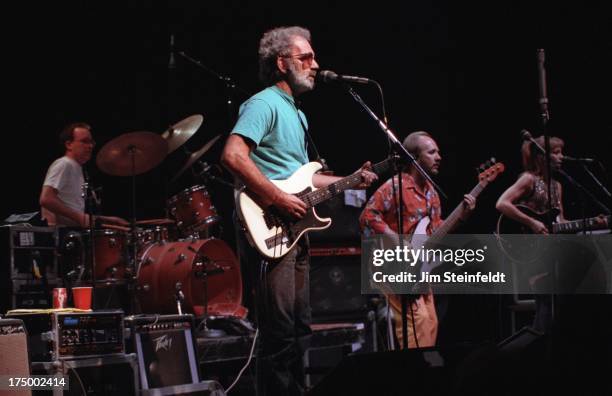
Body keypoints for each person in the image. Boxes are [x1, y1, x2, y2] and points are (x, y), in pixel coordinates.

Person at [221, 26, 377, 395]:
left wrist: (352, 179)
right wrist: (276, 198)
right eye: (305, 57)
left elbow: (306, 179)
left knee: (298, 328)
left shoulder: (299, 115)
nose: (315, 64)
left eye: (313, 56)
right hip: (269, 223)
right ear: (281, 63)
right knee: (279, 332)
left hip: (294, 228)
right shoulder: (263, 104)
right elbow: (232, 156)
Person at [359, 131, 476, 349]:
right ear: (415, 158)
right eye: (432, 152)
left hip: (420, 270)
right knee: (417, 322)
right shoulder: (395, 186)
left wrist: (462, 217)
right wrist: (395, 238)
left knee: (431, 322)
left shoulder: (431, 192)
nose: (439, 157)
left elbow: (435, 232)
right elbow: (367, 215)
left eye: (438, 152)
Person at [40, 122, 128, 227]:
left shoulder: (77, 168)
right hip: (61, 235)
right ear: (69, 144)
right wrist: (79, 217)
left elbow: (72, 208)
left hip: (71, 231)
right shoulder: (64, 164)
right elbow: (46, 199)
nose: (90, 146)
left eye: (91, 142)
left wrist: (107, 219)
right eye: (85, 141)